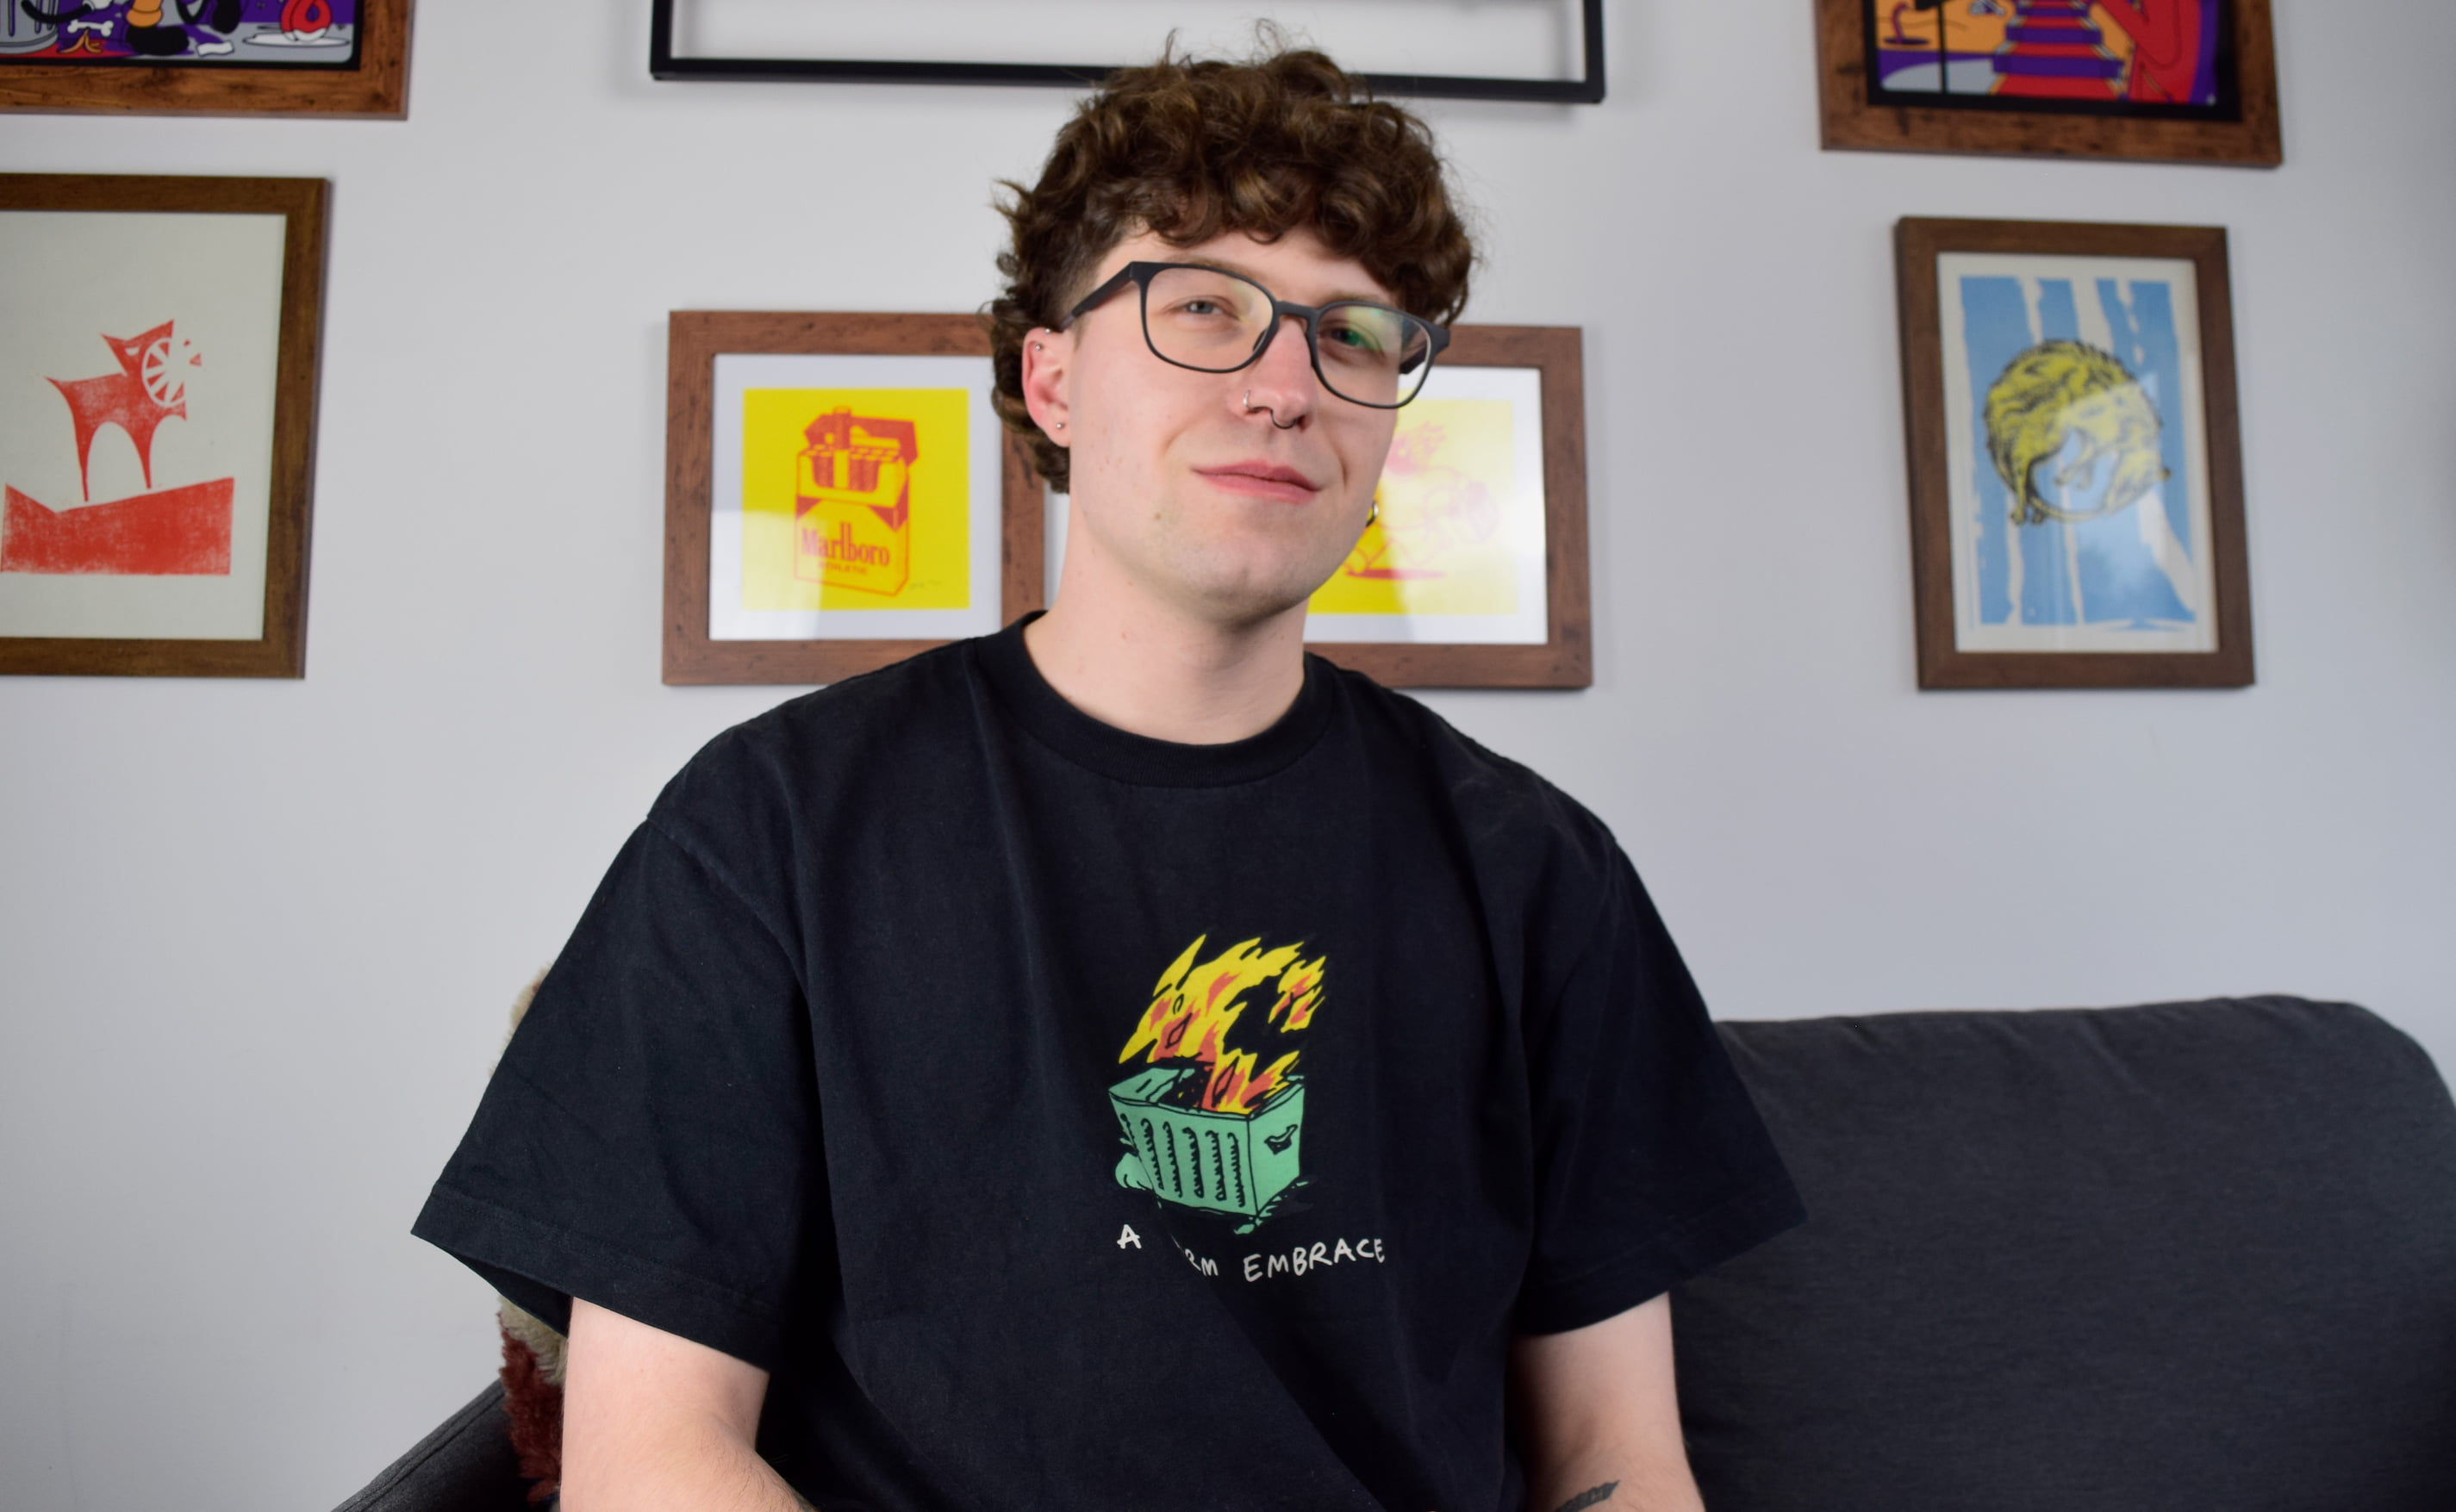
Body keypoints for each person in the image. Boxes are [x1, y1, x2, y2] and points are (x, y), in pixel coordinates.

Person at [416, 40, 1803, 1512]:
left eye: (1351, 334)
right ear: (1054, 379)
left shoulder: (1535, 867)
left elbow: (1614, 1463)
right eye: (1204, 306)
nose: (1286, 386)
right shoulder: (772, 825)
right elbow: (651, 1463)